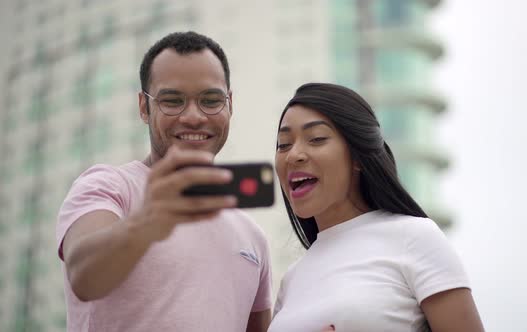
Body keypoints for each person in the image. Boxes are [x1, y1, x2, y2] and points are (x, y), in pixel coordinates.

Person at [56, 31, 272, 332]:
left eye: (211, 100)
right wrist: (149, 223)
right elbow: (83, 276)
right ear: (144, 107)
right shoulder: (107, 187)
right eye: (173, 101)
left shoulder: (253, 238)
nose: (194, 116)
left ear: (230, 104)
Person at [269, 83, 484, 332]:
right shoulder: (292, 281)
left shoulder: (415, 238)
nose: (293, 155)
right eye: (283, 144)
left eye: (316, 139)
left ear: (358, 157)